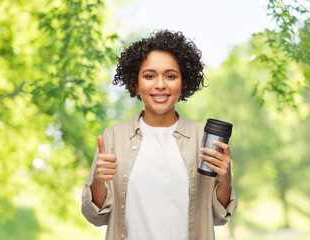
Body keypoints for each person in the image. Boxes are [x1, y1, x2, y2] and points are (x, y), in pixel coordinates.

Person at [81, 30, 237, 240]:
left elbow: (219, 217)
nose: (161, 84)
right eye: (149, 76)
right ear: (136, 84)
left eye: (171, 76)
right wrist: (99, 180)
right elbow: (96, 217)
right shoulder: (113, 136)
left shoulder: (203, 137)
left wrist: (225, 179)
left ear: (184, 83)